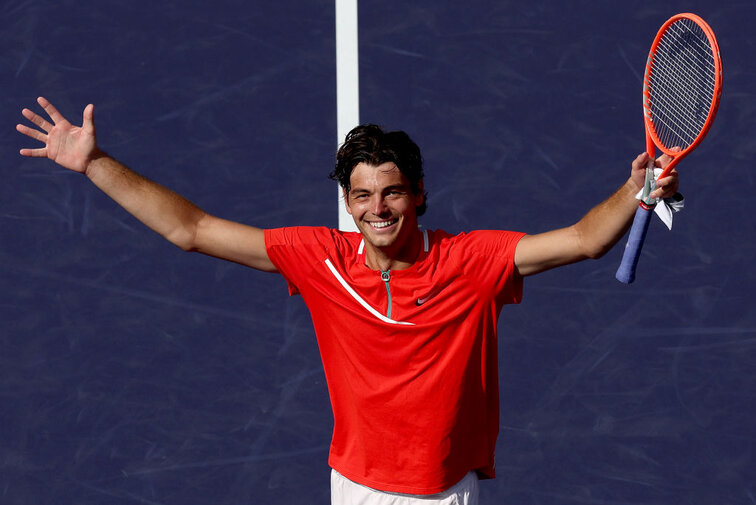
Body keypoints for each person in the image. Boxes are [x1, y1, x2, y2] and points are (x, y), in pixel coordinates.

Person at [16, 97, 679, 505]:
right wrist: (94, 162)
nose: (376, 209)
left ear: (418, 193)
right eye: (361, 196)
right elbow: (189, 229)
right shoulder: (320, 259)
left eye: (390, 193)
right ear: (347, 202)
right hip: (355, 486)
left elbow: (587, 239)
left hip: (441, 494)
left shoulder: (472, 262)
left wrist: (636, 190)